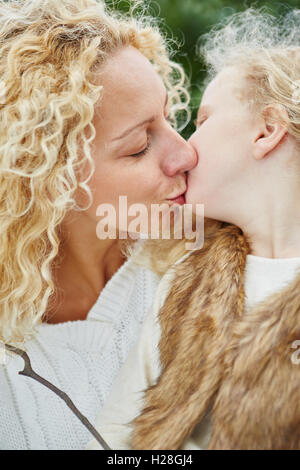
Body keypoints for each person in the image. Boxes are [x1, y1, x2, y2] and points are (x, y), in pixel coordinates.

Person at [88, 8, 300, 450]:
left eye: (201, 122)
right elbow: (112, 440)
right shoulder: (181, 282)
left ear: (267, 130)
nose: (186, 148)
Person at [0, 0, 197, 449]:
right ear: (44, 179)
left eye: (168, 117)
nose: (186, 154)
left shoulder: (202, 260)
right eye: (139, 145)